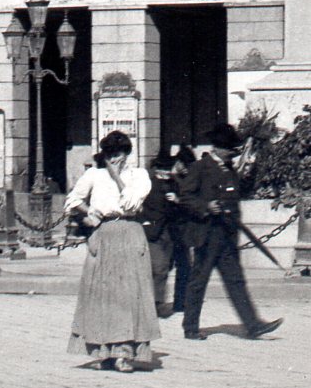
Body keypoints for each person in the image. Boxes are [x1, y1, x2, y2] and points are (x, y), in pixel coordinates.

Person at [65, 131, 162, 372]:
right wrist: (88, 213)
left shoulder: (138, 176)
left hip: (130, 232)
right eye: (109, 155)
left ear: (127, 154)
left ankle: (124, 353)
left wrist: (116, 176)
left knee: (129, 295)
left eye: (118, 154)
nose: (114, 159)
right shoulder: (93, 175)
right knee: (102, 295)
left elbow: (131, 203)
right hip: (104, 234)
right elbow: (72, 200)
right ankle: (103, 352)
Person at [178, 125, 283, 342]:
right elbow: (185, 196)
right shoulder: (200, 168)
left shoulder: (230, 170)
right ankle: (190, 328)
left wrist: (251, 168)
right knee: (198, 282)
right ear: (218, 148)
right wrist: (206, 206)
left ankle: (253, 326)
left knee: (236, 281)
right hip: (206, 235)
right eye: (229, 149)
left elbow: (239, 194)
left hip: (227, 236)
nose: (232, 153)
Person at [141, 148, 190, 319]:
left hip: (170, 232)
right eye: (163, 169)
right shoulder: (147, 184)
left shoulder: (175, 183)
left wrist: (177, 201)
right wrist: (144, 222)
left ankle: (156, 302)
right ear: (157, 169)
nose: (167, 172)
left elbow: (186, 204)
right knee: (159, 267)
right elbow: (138, 205)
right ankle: (155, 304)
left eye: (169, 169)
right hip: (153, 232)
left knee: (164, 268)